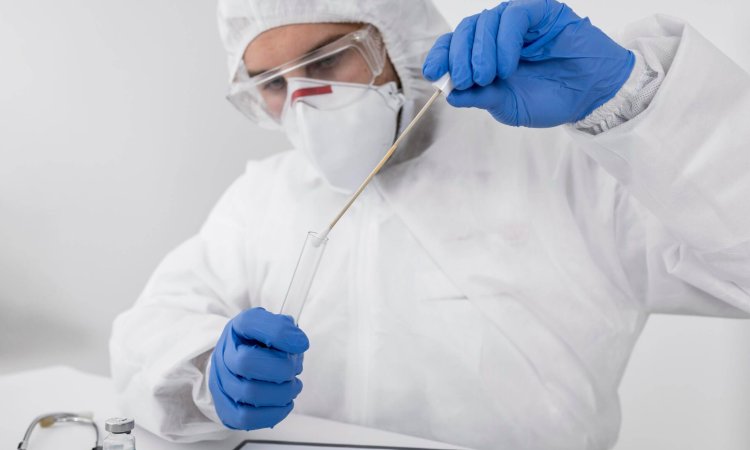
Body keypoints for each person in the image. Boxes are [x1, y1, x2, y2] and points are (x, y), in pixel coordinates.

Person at [109, 0, 750, 449]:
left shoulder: (569, 168)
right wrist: (201, 370)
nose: (302, 103)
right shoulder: (263, 199)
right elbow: (152, 327)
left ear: (401, 41)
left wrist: (632, 100)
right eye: (270, 84)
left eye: (329, 60)